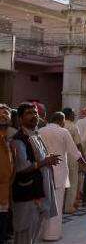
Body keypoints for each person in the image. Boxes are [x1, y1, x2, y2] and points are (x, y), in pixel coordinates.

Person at [10, 102, 60, 244]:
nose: (34, 116)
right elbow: (22, 167)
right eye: (29, 113)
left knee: (33, 235)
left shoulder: (36, 135)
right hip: (28, 194)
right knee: (24, 234)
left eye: (35, 113)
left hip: (39, 193)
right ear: (20, 119)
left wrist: (47, 160)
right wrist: (45, 161)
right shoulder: (18, 139)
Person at [39, 112, 86, 241]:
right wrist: (85, 166)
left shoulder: (39, 131)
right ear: (61, 121)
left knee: (43, 203)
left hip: (42, 171)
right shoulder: (63, 132)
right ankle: (52, 234)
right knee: (56, 203)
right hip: (59, 172)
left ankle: (40, 233)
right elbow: (75, 152)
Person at [61, 107, 83, 214]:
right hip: (72, 157)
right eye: (73, 114)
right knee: (72, 182)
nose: (74, 116)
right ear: (69, 115)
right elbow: (78, 144)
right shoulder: (73, 127)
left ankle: (60, 205)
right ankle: (69, 207)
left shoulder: (59, 125)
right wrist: (82, 158)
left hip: (60, 156)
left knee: (61, 182)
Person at [0, 104, 13, 244]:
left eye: (6, 114)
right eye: (0, 113)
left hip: (5, 192)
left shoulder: (7, 139)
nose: (3, 116)